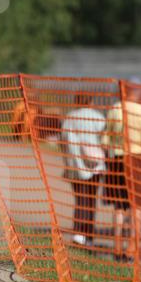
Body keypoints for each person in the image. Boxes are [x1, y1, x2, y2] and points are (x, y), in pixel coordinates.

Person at [101, 83, 141, 261]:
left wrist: (111, 153)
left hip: (117, 160)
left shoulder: (115, 108)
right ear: (136, 92)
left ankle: (117, 248)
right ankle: (131, 249)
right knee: (136, 207)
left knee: (119, 207)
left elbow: (105, 139)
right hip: (136, 160)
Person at [61, 92, 106, 246]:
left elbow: (64, 141)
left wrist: (67, 163)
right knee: (91, 200)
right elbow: (105, 139)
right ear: (91, 101)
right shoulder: (98, 117)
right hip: (95, 166)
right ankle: (89, 236)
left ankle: (78, 233)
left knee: (80, 199)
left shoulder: (70, 118)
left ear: (76, 101)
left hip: (76, 166)